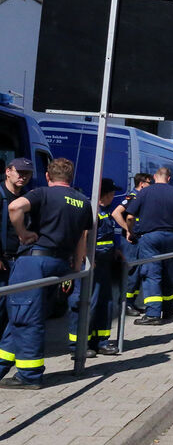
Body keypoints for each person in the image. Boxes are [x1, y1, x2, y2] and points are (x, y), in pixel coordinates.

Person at [0, 158, 92, 389]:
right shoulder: (83, 201)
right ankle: (2, 364)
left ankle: (29, 375)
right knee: (21, 317)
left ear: (49, 177)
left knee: (25, 317)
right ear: (71, 178)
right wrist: (75, 270)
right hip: (61, 265)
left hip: (34, 262)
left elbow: (14, 207)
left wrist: (22, 233)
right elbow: (83, 238)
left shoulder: (42, 193)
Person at [125, 167, 173, 325]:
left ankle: (153, 314)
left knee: (151, 274)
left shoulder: (144, 192)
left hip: (150, 237)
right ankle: (168, 309)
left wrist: (130, 231)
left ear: (155, 177)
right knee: (169, 273)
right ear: (169, 178)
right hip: (170, 237)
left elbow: (129, 216)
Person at [68, 179, 122, 358]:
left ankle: (101, 341)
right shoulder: (92, 211)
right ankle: (79, 344)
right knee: (85, 302)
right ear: (103, 195)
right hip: (92, 262)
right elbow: (83, 235)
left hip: (104, 264)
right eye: (112, 193)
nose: (114, 197)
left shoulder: (105, 211)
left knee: (104, 302)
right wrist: (87, 257)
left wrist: (117, 251)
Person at [1, 158, 34, 338]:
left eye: (27, 173)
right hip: (3, 261)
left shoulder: (28, 197)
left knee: (14, 309)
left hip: (21, 260)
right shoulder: (0, 193)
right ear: (8, 171)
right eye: (19, 172)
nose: (23, 176)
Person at [112, 173, 152, 317]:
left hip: (138, 239)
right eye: (149, 183)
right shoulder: (133, 197)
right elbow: (116, 213)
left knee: (137, 273)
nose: (151, 185)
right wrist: (128, 230)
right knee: (131, 272)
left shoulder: (141, 197)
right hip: (131, 241)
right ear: (142, 184)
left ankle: (131, 302)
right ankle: (125, 304)